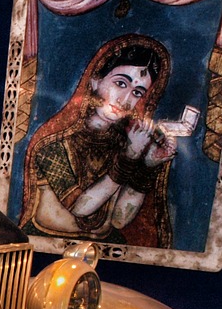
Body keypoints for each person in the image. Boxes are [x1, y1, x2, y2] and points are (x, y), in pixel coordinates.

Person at [20, 33, 177, 247]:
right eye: (121, 83)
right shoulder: (53, 144)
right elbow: (80, 207)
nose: (125, 100)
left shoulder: (125, 142)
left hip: (103, 251)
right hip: (47, 251)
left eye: (137, 93)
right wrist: (129, 158)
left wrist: (147, 165)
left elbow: (120, 220)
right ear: (95, 81)